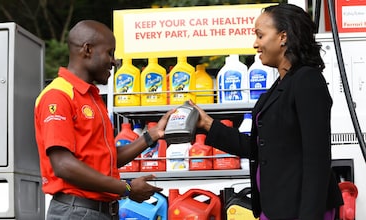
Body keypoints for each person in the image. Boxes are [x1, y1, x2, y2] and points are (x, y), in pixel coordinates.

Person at [190, 4, 343, 220]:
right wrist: (207, 124)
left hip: (302, 210)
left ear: (283, 37)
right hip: (276, 208)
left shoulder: (307, 80)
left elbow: (316, 160)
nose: (255, 43)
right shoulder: (280, 86)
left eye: (260, 35)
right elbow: (257, 148)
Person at [34, 20, 174, 220]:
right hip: (76, 212)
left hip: (99, 211)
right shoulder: (58, 95)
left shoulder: (92, 98)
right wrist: (127, 188)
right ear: (87, 50)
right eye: (110, 52)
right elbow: (63, 165)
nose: (114, 61)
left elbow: (105, 160)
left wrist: (151, 136)